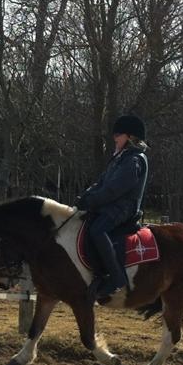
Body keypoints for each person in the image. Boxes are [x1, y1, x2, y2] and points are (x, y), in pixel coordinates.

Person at [75, 113, 149, 301]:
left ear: (130, 137)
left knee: (98, 230)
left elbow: (114, 189)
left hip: (123, 208)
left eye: (119, 134)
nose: (115, 137)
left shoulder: (134, 160)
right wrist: (86, 196)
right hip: (110, 206)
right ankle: (98, 271)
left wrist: (93, 201)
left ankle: (117, 277)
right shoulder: (120, 158)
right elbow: (102, 183)